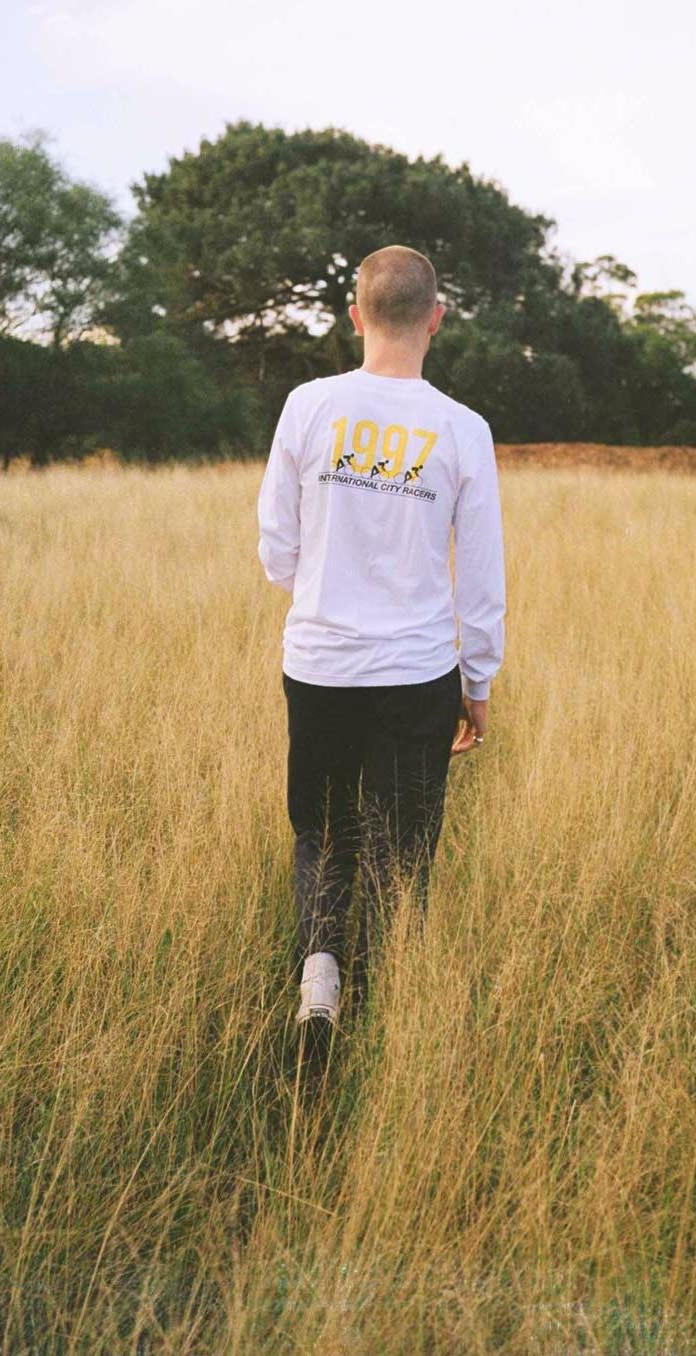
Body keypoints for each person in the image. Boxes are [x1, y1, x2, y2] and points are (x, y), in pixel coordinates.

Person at [256, 245, 506, 1039]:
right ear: (436, 319)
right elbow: (481, 573)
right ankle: (391, 1008)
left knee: (324, 832)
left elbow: (276, 546)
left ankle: (319, 983)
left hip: (319, 665)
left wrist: (327, 588)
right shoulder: (462, 428)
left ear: (356, 316)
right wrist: (478, 682)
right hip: (416, 673)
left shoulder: (308, 404)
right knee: (402, 845)